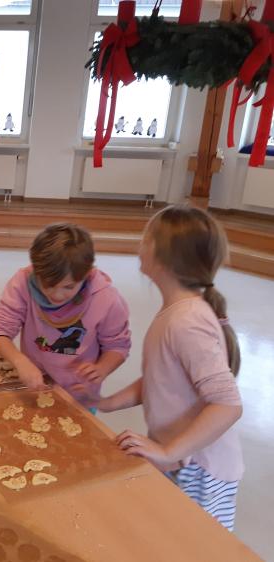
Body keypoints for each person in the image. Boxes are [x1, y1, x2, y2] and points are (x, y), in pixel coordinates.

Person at [93, 205, 243, 531]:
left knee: (191, 546)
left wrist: (166, 450)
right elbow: (161, 380)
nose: (139, 245)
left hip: (199, 468)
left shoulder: (187, 321)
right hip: (181, 458)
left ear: (163, 259)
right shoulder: (176, 312)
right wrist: (104, 403)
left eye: (146, 238)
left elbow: (228, 405)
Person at [0, 224, 131, 406]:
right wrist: (19, 361)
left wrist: (101, 369)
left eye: (69, 287)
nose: (57, 295)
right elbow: (0, 331)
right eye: (47, 285)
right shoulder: (23, 283)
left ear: (86, 275)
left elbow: (118, 346)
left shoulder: (106, 299)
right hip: (35, 383)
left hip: (79, 393)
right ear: (36, 271)